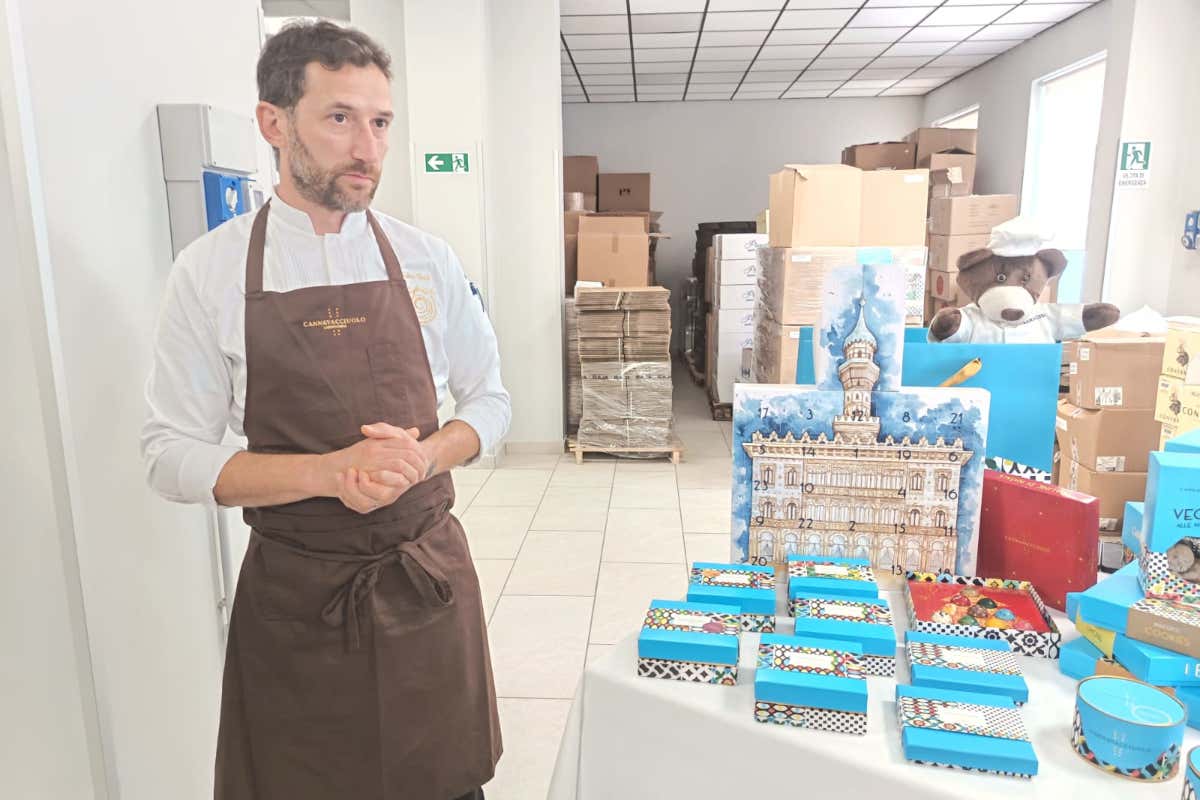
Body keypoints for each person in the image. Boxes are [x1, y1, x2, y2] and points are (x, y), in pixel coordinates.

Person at [140, 20, 508, 799]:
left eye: (380, 123)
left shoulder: (426, 259)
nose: (367, 148)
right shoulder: (208, 274)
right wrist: (329, 472)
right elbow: (169, 455)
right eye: (340, 118)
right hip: (297, 600)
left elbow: (490, 401)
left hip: (424, 581)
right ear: (275, 124)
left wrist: (422, 458)